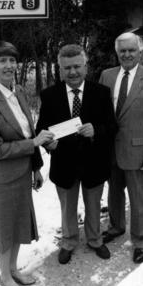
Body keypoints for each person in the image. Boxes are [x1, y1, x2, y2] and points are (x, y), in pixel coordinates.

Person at [0, 41, 54, 286]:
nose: (9, 65)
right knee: (5, 229)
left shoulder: (18, 92)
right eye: (2, 61)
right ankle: (5, 276)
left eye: (12, 60)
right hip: (4, 178)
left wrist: (36, 168)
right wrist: (33, 144)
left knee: (20, 224)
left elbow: (28, 131)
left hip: (23, 173)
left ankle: (13, 269)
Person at [36, 44, 117, 264]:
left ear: (86, 66)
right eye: (67, 68)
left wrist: (96, 131)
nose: (73, 72)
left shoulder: (101, 93)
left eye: (77, 66)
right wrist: (47, 144)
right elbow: (41, 129)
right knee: (67, 208)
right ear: (60, 69)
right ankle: (69, 242)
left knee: (93, 205)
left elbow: (112, 126)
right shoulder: (49, 95)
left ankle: (95, 240)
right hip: (64, 164)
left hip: (94, 163)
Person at [99, 32, 143, 264]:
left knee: (140, 199)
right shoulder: (106, 76)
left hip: (139, 153)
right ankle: (116, 226)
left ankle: (141, 240)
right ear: (116, 52)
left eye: (131, 50)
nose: (126, 54)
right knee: (114, 193)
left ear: (140, 51)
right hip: (110, 152)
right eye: (122, 51)